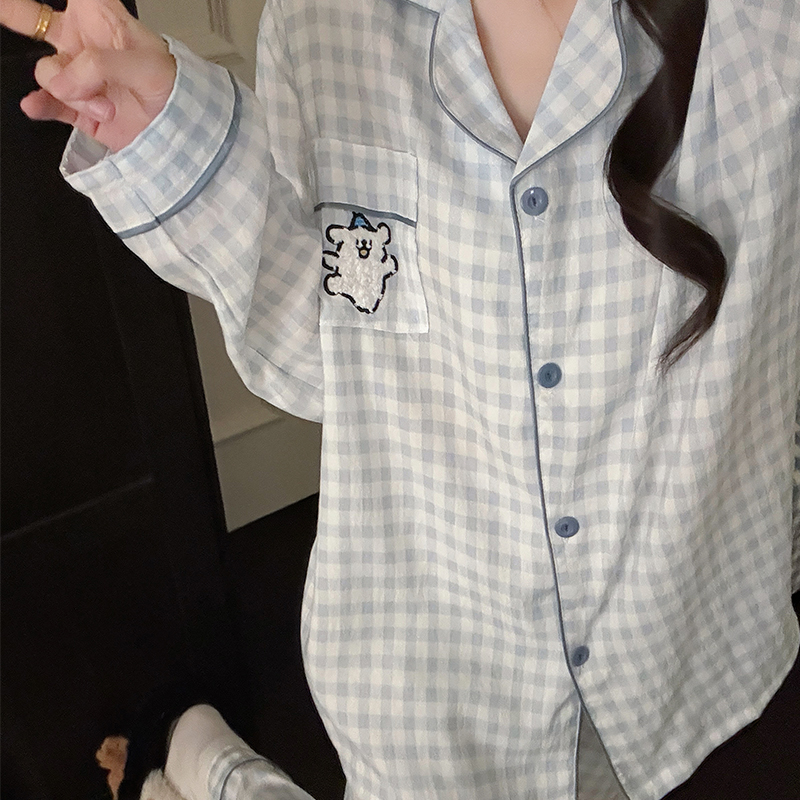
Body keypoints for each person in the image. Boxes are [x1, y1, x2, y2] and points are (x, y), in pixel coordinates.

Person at [2, 0, 799, 798]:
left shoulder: (762, 28)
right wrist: (170, 137)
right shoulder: (323, 22)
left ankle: (199, 760)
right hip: (434, 677)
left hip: (695, 659)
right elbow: (327, 359)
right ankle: (202, 756)